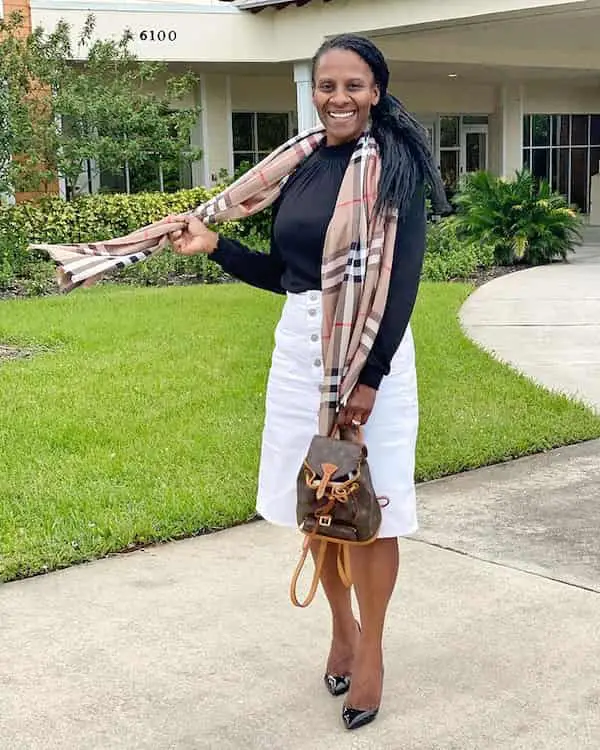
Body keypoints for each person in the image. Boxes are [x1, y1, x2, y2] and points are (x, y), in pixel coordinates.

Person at [168, 34, 447, 731]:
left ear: (376, 91)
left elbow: (402, 280)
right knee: (322, 507)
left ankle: (373, 654)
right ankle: (342, 630)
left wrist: (369, 378)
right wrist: (218, 247)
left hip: (369, 355)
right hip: (300, 352)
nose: (338, 97)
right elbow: (286, 275)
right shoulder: (299, 164)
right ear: (314, 91)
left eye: (353, 85)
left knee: (372, 513)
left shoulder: (394, 168)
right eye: (327, 85)